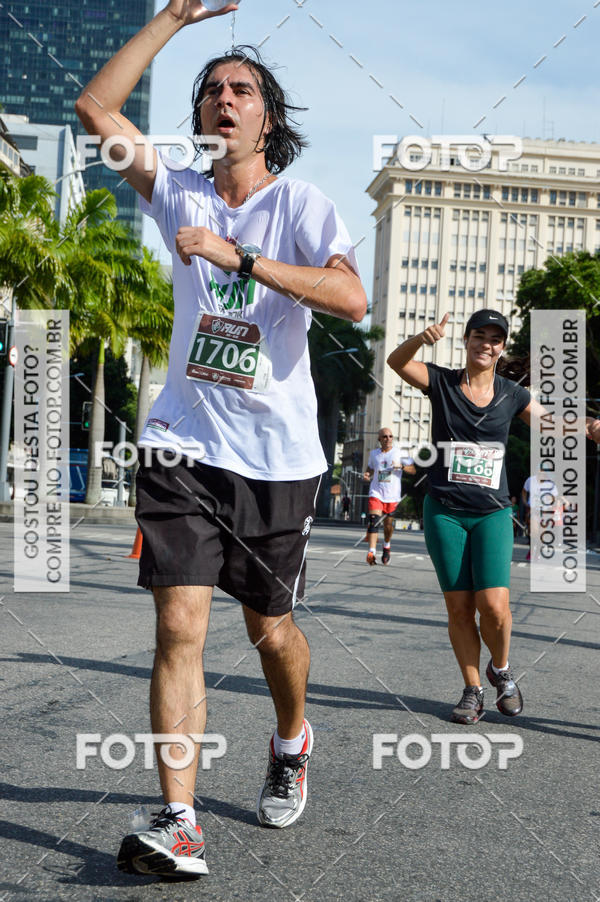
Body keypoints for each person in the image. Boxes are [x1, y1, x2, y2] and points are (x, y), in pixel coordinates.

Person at [76, 0, 366, 878]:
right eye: (209, 93)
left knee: (269, 629)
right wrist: (172, 19)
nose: (223, 101)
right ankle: (179, 817)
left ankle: (290, 739)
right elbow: (95, 111)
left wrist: (241, 260)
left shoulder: (302, 204)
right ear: (199, 120)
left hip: (278, 458)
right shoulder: (179, 194)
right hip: (183, 444)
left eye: (241, 90)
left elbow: (351, 300)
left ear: (266, 118)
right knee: (179, 626)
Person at [387, 309, 541, 725]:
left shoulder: (513, 394)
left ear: (501, 348)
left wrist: (588, 426)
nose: (485, 344)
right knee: (459, 609)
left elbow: (552, 424)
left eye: (494, 339)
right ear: (467, 340)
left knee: (494, 606)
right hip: (445, 512)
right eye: (478, 336)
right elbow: (396, 363)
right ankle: (473, 689)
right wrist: (421, 337)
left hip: (492, 513)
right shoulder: (442, 382)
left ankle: (501, 669)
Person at [363, 428, 415, 565]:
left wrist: (402, 467)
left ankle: (386, 545)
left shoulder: (400, 453)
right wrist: (367, 474)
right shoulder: (374, 454)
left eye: (390, 436)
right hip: (376, 492)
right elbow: (370, 468)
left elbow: (413, 470)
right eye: (385, 436)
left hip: (392, 495)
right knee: (373, 521)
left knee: (388, 525)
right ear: (379, 439)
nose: (388, 439)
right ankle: (372, 551)